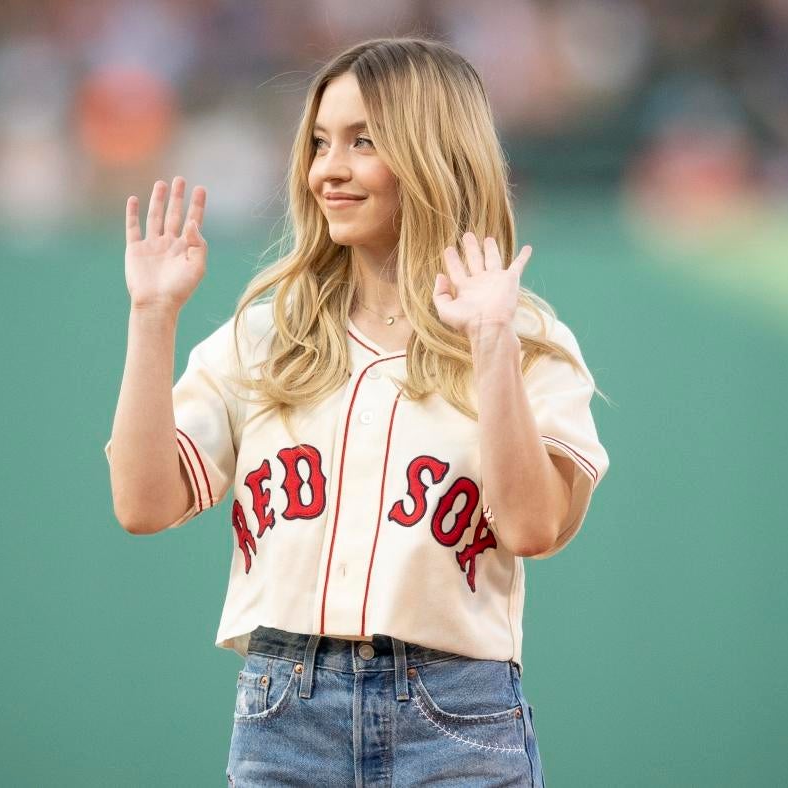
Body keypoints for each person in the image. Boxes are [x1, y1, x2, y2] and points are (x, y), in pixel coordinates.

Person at [104, 37, 609, 787]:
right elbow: (142, 503)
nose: (326, 170)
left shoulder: (527, 341)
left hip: (456, 710)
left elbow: (535, 528)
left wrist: (492, 345)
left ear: (434, 154)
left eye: (362, 142)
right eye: (318, 143)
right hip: (285, 709)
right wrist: (151, 317)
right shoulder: (268, 335)